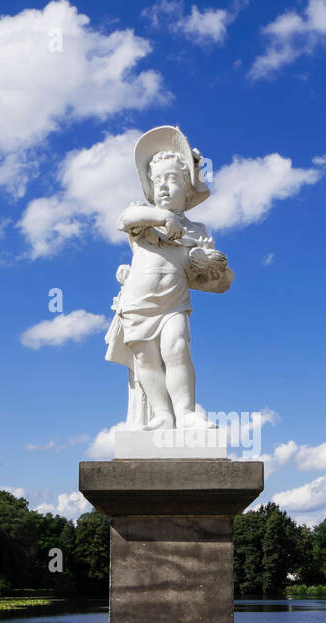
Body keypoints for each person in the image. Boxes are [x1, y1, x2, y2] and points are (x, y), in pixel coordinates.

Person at [106, 125, 233, 430]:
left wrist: (212, 267)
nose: (162, 187)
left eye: (172, 179)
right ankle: (163, 414)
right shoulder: (143, 218)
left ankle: (186, 413)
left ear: (188, 188)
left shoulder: (197, 231)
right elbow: (124, 219)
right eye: (156, 180)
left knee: (177, 348)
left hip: (174, 303)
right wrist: (163, 218)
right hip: (137, 304)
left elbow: (218, 284)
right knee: (146, 360)